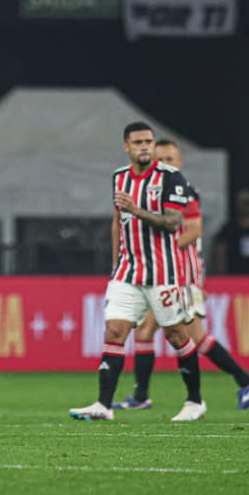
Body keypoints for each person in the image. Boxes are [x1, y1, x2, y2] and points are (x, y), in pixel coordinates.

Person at [69, 121, 205, 422]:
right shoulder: (119, 177)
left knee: (175, 333)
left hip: (164, 272)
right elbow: (118, 220)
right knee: (114, 331)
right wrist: (117, 260)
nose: (145, 146)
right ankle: (104, 405)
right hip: (128, 271)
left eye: (149, 141)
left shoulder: (172, 178)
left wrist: (137, 209)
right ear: (126, 147)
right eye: (139, 142)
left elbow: (172, 223)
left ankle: (195, 401)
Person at [113, 139, 249, 412]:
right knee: (146, 331)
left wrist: (157, 248)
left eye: (171, 159)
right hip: (164, 275)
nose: (166, 164)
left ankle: (242, 381)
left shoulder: (185, 192)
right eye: (162, 159)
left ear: (180, 163)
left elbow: (193, 231)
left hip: (183, 275)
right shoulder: (155, 193)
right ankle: (141, 396)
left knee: (196, 339)